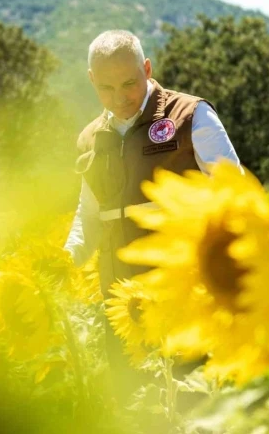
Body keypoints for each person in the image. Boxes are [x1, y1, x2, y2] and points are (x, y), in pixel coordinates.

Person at [62, 30, 243, 402]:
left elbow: (234, 194)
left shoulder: (190, 115)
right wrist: (62, 263)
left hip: (186, 297)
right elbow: (89, 217)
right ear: (92, 81)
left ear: (147, 68)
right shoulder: (90, 139)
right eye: (107, 88)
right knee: (136, 411)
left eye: (129, 83)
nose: (120, 97)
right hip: (123, 308)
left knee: (195, 407)